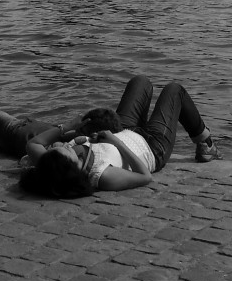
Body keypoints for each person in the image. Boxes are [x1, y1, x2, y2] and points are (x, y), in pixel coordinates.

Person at [18, 75, 219, 199]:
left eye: (57, 147)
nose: (63, 146)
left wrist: (70, 125)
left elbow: (34, 143)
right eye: (65, 149)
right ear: (70, 165)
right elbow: (144, 176)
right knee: (174, 90)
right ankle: (206, 143)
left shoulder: (50, 165)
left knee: (140, 81)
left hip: (124, 131)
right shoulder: (102, 176)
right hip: (152, 146)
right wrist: (114, 142)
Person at [0, 92, 122, 158]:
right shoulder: (89, 147)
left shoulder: (76, 142)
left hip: (20, 133)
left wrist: (70, 126)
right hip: (20, 136)